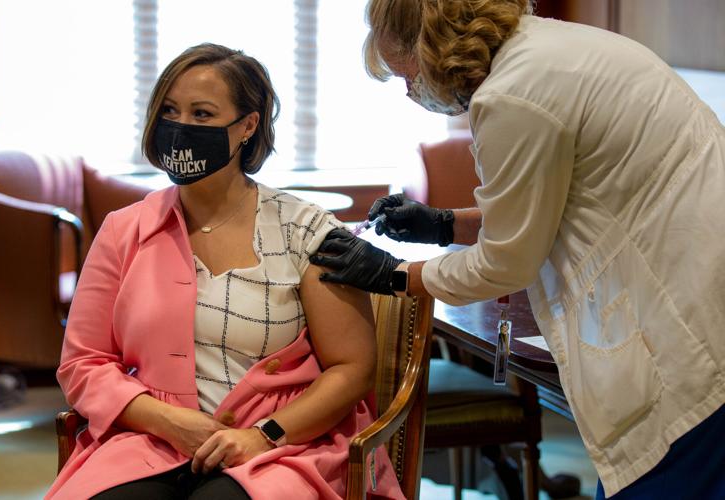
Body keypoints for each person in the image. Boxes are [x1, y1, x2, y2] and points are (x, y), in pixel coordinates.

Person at [310, 1, 725, 498]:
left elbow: (506, 263)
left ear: (432, 47)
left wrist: (395, 274)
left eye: (408, 76)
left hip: (688, 337)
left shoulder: (512, 97)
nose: (410, 92)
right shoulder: (554, 49)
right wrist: (443, 225)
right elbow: (547, 206)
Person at [46, 43, 404, 500]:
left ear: (247, 127)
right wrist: (172, 423)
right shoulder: (124, 230)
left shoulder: (305, 230)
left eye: (202, 115)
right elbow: (84, 363)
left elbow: (351, 368)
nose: (180, 129)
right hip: (150, 440)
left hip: (283, 447)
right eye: (170, 111)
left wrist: (263, 435)